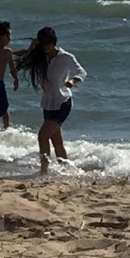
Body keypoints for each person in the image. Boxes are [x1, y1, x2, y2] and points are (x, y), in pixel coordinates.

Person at [16, 27, 87, 174]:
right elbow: (22, 61)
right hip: (48, 103)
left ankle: (44, 170)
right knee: (57, 142)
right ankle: (66, 170)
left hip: (62, 102)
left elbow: (82, 72)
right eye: (42, 45)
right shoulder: (40, 57)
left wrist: (73, 81)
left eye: (47, 45)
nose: (45, 48)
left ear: (54, 43)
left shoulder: (66, 57)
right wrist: (32, 47)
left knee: (42, 136)